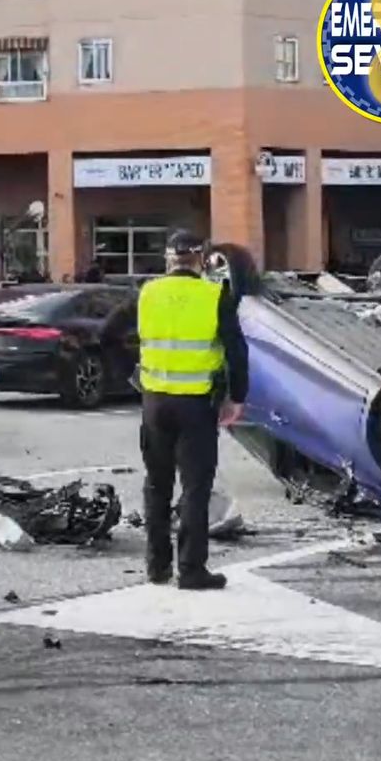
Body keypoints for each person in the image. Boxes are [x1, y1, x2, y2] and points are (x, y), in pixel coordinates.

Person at [136, 230, 250, 591]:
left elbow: (112, 332)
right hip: (196, 406)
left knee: (157, 485)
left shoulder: (147, 292)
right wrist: (237, 398)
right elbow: (237, 351)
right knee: (195, 489)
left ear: (168, 259)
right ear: (201, 259)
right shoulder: (216, 294)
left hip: (154, 403)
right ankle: (191, 570)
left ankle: (156, 567)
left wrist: (135, 374)